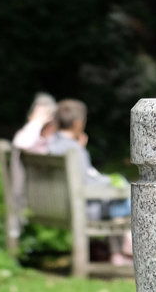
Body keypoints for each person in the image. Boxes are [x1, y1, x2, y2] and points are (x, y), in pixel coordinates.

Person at [47, 99, 133, 264]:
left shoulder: (53, 145)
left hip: (61, 205)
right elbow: (86, 185)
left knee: (120, 200)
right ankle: (126, 251)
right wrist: (112, 182)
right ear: (78, 124)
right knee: (131, 199)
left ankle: (119, 253)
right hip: (83, 208)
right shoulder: (74, 150)